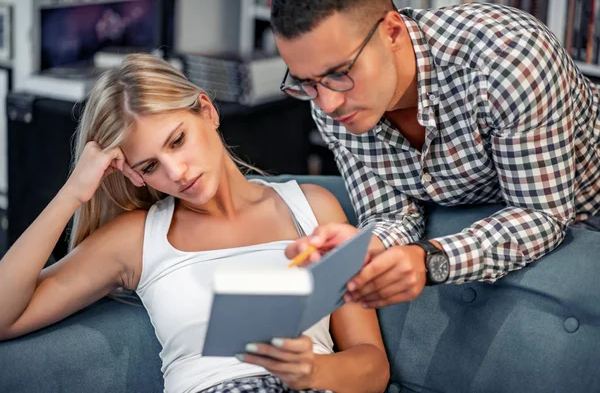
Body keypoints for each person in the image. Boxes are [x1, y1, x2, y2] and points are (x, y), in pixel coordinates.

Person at [0, 54, 389, 393]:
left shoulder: (313, 209)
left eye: (176, 140)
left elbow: (372, 366)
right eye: (149, 166)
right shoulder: (138, 239)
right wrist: (72, 193)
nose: (177, 172)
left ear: (207, 110)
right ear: (136, 176)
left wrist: (312, 371)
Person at [272, 0, 600, 308]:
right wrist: (362, 247)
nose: (327, 104)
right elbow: (391, 215)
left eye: (340, 73)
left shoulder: (511, 58)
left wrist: (431, 259)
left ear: (392, 32)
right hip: (495, 232)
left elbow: (540, 214)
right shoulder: (328, 103)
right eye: (307, 82)